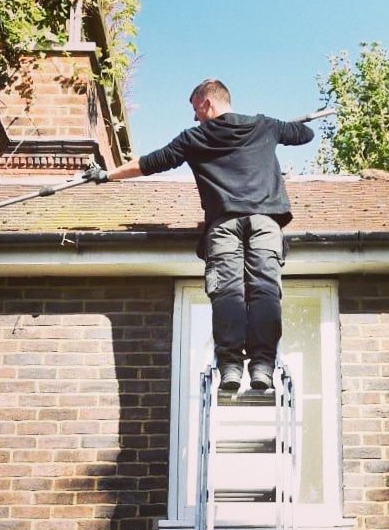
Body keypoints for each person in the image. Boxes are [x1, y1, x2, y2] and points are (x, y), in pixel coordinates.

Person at [89, 80, 314, 392]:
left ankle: (231, 367)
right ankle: (262, 365)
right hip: (265, 222)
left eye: (196, 110)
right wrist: (281, 128)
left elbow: (151, 163)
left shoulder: (195, 138)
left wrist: (106, 175)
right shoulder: (264, 126)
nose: (195, 119)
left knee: (227, 292)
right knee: (264, 290)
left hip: (223, 226)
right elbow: (305, 135)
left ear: (207, 103)